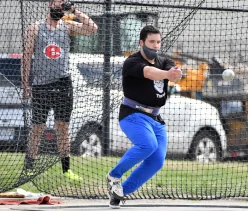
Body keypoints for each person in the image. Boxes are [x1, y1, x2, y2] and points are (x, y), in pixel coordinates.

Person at [106, 25, 182, 209]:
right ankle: (114, 176)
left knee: (157, 161)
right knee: (148, 145)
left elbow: (174, 71)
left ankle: (119, 192)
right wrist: (167, 75)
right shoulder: (132, 62)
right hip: (133, 114)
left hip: (155, 118)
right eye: (151, 42)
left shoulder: (164, 61)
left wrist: (175, 74)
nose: (155, 46)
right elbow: (148, 72)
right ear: (141, 43)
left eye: (158, 42)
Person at [21, 0, 98, 181]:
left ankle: (66, 170)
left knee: (62, 127)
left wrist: (74, 10)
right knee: (37, 127)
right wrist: (26, 84)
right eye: (58, 2)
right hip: (41, 85)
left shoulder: (68, 26)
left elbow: (92, 28)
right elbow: (26, 57)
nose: (61, 5)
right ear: (50, 4)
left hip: (63, 84)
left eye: (64, 2)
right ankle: (29, 166)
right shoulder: (36, 28)